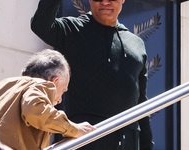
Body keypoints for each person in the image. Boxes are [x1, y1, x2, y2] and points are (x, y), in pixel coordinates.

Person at [31, 0, 154, 150]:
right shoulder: (73, 30)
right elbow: (40, 25)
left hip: (129, 142)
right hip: (87, 140)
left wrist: (147, 145)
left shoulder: (136, 44)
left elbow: (141, 102)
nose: (105, 2)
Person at [0, 49, 96, 150]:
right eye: (63, 91)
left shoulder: (1, 86)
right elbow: (35, 110)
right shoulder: (40, 85)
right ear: (55, 80)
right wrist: (75, 129)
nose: (60, 100)